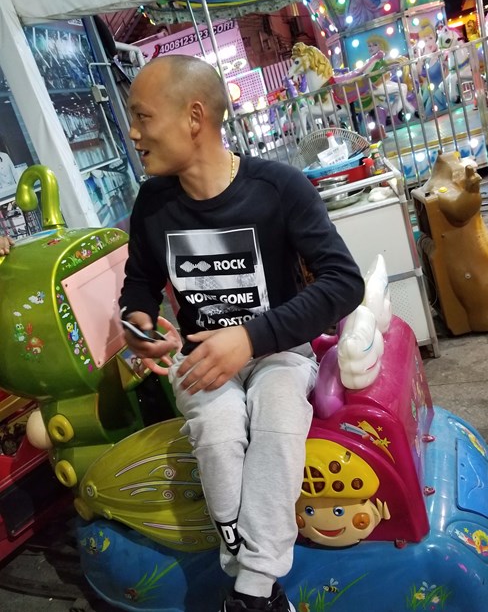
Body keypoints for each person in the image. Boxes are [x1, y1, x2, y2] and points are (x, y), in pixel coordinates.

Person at [119, 55, 364, 612]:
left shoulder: (279, 187)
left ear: (194, 117)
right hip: (201, 362)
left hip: (280, 353)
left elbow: (343, 282)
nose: (133, 133)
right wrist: (137, 323)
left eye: (142, 117)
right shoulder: (152, 203)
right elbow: (139, 284)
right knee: (219, 431)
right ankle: (261, 589)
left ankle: (251, 590)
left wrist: (251, 338)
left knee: (277, 418)